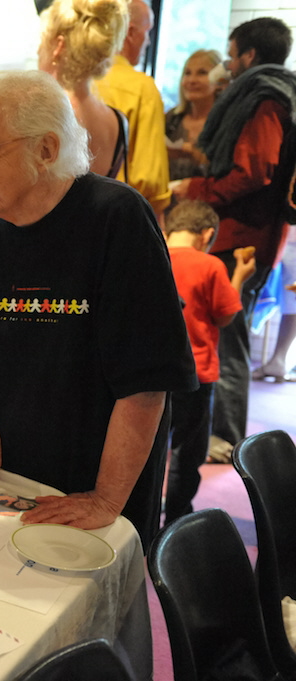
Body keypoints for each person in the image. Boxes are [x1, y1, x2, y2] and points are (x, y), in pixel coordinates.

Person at [0, 69, 196, 548]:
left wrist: (105, 498)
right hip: (4, 479)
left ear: (46, 150)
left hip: (94, 484)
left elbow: (147, 383)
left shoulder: (116, 219)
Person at [173, 17, 296, 462]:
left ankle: (223, 438)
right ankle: (216, 435)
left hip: (245, 236)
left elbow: (253, 173)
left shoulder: (265, 100)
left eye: (230, 55)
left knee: (227, 338)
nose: (226, 64)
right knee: (224, 335)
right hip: (247, 233)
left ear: (248, 55)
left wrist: (197, 188)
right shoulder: (270, 94)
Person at [162, 200, 253, 523]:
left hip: (153, 373)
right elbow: (226, 316)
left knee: (149, 447)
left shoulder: (152, 255)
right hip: (195, 374)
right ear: (207, 234)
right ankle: (177, 517)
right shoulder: (209, 264)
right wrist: (239, 275)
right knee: (187, 450)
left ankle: (143, 516)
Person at [93, 0, 172, 216]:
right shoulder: (140, 88)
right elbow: (150, 178)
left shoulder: (74, 81)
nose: (148, 42)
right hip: (118, 214)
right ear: (129, 32)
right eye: (147, 32)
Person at [36, 0, 129, 178]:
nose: (38, 51)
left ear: (59, 46)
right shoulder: (118, 122)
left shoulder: (41, 113)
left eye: (42, 41)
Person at [164, 49, 221, 181]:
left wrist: (193, 154)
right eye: (187, 73)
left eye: (202, 73)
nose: (191, 80)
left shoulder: (225, 123)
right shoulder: (171, 119)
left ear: (220, 81)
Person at [253, 229, 296, 381]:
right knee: (253, 291)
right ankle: (278, 360)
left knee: (292, 300)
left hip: (286, 239)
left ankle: (279, 359)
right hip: (273, 235)